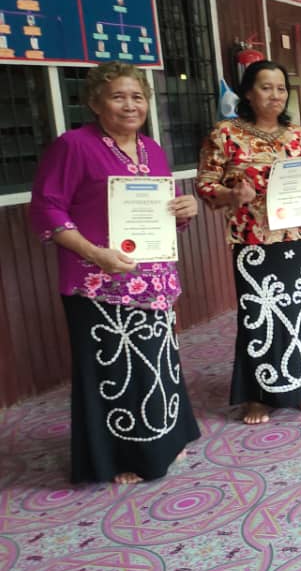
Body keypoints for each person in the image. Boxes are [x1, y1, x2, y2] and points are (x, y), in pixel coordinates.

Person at [30, 63, 201, 484]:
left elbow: (164, 208)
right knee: (115, 372)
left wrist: (185, 208)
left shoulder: (152, 149)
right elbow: (47, 208)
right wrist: (94, 253)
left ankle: (164, 439)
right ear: (95, 103)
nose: (130, 105)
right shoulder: (74, 146)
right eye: (118, 96)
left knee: (157, 363)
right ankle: (122, 457)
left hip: (153, 280)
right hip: (98, 282)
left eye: (137, 97)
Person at [196, 60, 301, 425]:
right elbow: (206, 185)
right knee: (260, 315)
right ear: (247, 92)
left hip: (300, 235)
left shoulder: (297, 135)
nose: (275, 95)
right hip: (253, 239)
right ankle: (257, 395)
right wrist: (231, 195)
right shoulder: (225, 133)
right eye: (266, 87)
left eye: (281, 88)